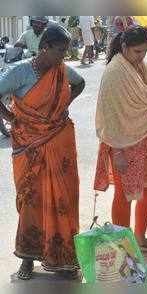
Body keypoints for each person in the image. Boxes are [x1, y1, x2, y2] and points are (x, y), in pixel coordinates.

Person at [0, 25, 85, 280]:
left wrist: (64, 105)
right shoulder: (20, 71)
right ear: (44, 48)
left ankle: (64, 258)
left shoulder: (60, 70)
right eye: (60, 51)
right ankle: (27, 258)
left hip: (59, 144)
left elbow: (79, 83)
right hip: (30, 146)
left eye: (66, 51)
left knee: (64, 199)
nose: (64, 57)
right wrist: (12, 119)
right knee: (31, 200)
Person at [94, 26, 147, 254]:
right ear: (125, 47)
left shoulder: (140, 65)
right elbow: (109, 115)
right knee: (125, 192)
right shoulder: (114, 73)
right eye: (138, 51)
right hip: (123, 142)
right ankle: (122, 244)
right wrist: (117, 151)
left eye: (145, 51)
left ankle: (139, 237)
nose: (143, 56)